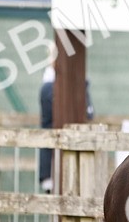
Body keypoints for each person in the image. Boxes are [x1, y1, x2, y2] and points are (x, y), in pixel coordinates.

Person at [38, 60, 94, 193]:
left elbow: (89, 113)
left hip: (59, 157)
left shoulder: (50, 87)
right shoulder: (50, 88)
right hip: (55, 157)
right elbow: (87, 113)